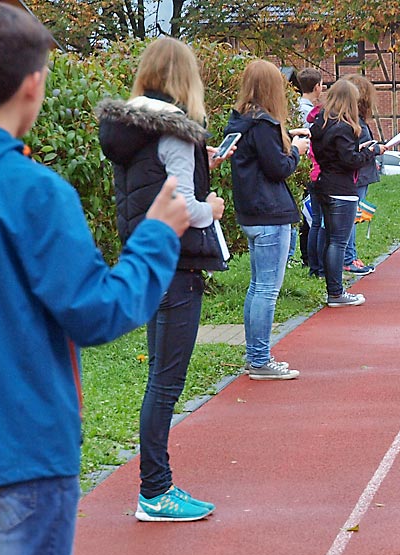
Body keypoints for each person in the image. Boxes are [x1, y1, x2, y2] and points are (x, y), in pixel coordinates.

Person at [0, 4, 188, 555]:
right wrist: (157, 239)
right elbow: (97, 311)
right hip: (26, 446)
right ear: (33, 84)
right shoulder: (34, 192)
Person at [97, 37, 229, 521]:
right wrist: (212, 206)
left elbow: (153, 182)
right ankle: (155, 491)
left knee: (159, 378)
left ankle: (155, 488)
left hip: (150, 262)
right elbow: (187, 208)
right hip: (178, 263)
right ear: (184, 77)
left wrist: (200, 164)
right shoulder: (175, 130)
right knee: (165, 384)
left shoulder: (128, 127)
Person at [225, 60, 310, 380]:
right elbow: (279, 167)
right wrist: (297, 150)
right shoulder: (264, 124)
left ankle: (256, 355)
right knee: (266, 290)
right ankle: (260, 360)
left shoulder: (242, 120)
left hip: (252, 212)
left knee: (257, 287)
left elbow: (261, 154)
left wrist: (288, 136)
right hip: (270, 212)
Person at [310, 78, 386, 307]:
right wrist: (370, 152)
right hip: (341, 188)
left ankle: (333, 288)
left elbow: (337, 154)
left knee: (330, 238)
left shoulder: (321, 123)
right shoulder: (343, 127)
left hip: (324, 182)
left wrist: (358, 149)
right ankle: (336, 292)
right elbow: (349, 161)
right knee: (338, 242)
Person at [343, 73, 380, 276]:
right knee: (352, 217)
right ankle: (349, 258)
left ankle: (350, 256)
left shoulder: (350, 120)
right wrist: (373, 151)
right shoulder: (355, 123)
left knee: (352, 216)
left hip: (360, 173)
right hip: (357, 175)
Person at [298, 68, 326, 279]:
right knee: (315, 219)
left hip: (303, 166)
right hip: (310, 167)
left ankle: (310, 261)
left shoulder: (296, 107)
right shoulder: (310, 114)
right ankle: (313, 262)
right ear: (317, 87)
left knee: (311, 219)